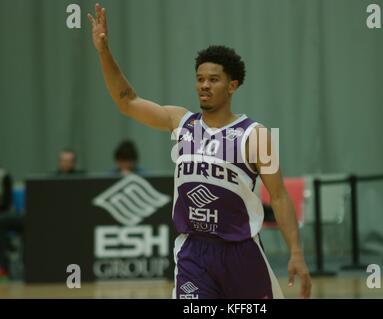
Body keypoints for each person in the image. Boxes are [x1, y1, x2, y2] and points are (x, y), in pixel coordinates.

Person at [88, 3, 311, 299]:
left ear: (232, 86)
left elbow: (280, 196)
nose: (204, 85)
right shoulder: (181, 122)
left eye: (213, 80)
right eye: (200, 78)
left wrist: (296, 251)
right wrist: (104, 52)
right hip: (194, 252)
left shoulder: (255, 135)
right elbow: (127, 102)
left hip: (240, 252)